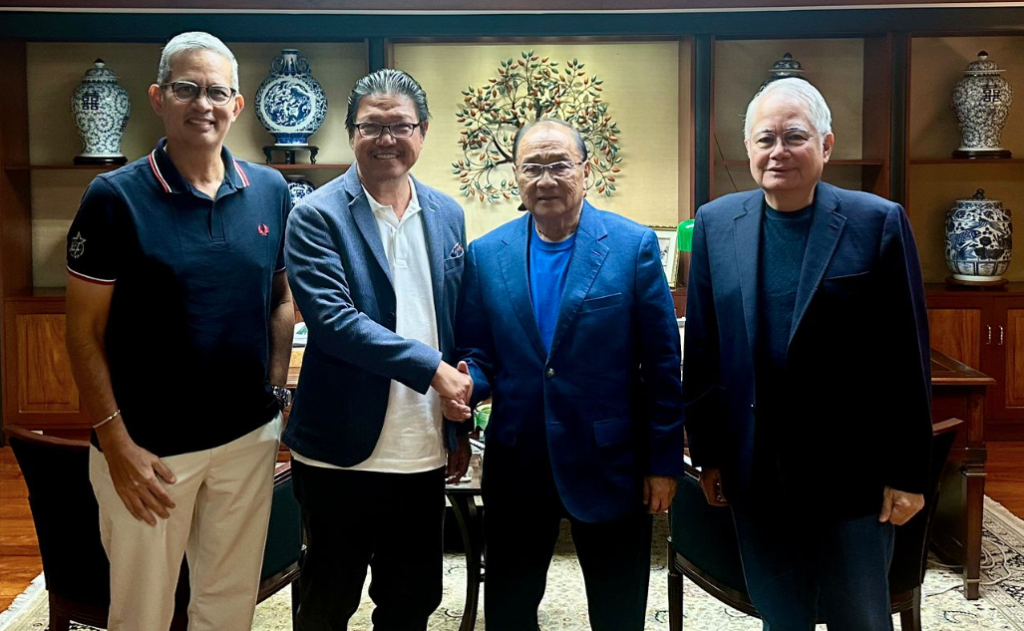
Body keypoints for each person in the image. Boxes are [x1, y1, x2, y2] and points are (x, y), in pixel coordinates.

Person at [683, 77, 933, 631]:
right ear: (748, 147)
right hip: (756, 476)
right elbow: (702, 352)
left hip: (853, 478)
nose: (778, 151)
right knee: (782, 619)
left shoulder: (878, 221)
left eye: (794, 136)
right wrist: (709, 455)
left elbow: (906, 359)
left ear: (825, 146)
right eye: (764, 137)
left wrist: (908, 473)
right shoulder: (716, 224)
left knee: (860, 620)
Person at [64, 31, 293, 631]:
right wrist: (115, 443)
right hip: (149, 456)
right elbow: (82, 331)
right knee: (142, 613)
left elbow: (280, 298)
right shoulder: (113, 198)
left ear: (238, 105)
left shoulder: (270, 191)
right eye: (187, 89)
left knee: (227, 605)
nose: (204, 104)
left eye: (218, 91)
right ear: (158, 97)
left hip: (247, 442)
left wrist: (274, 396)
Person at [451, 118, 684, 631]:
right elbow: (479, 350)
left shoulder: (632, 245)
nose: (546, 179)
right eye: (532, 167)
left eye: (559, 165)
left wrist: (662, 462)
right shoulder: (488, 255)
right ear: (515, 175)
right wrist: (471, 380)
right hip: (517, 461)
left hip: (611, 461)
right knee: (509, 609)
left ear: (586, 170)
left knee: (618, 609)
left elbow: (663, 365)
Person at [283, 68, 472, 631]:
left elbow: (453, 324)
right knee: (329, 596)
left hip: (420, 448)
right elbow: (335, 322)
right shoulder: (315, 214)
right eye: (372, 126)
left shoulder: (447, 214)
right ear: (350, 132)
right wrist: (431, 370)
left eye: (400, 125)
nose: (386, 138)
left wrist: (456, 430)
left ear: (423, 131)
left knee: (413, 598)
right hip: (339, 446)